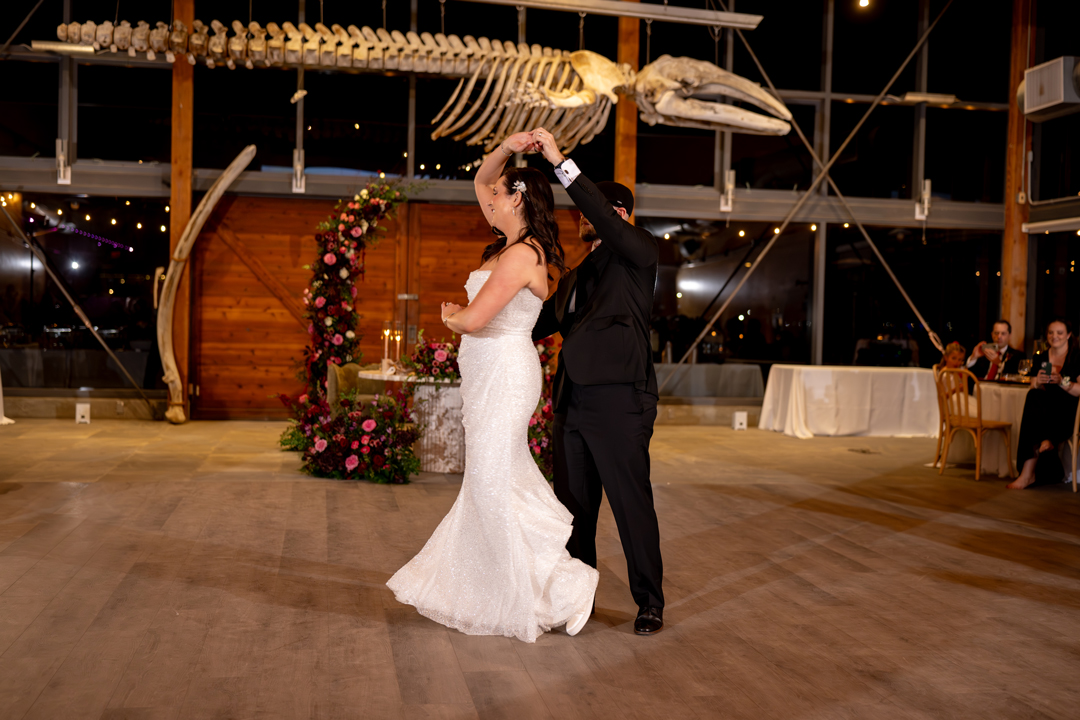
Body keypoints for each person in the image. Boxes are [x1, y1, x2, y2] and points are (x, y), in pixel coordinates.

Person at [386, 131, 598, 643]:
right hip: (486, 375)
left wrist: (451, 316)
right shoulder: (509, 245)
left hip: (504, 372)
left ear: (517, 200)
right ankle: (527, 589)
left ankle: (568, 584)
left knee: (491, 481)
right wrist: (508, 145)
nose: (489, 199)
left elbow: (477, 319)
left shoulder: (522, 255)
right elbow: (483, 179)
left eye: (500, 194)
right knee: (495, 479)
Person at [530, 126, 666, 636]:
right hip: (572, 403)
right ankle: (576, 600)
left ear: (618, 215)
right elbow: (537, 325)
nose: (581, 218)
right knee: (573, 512)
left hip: (620, 401)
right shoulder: (573, 276)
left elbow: (603, 217)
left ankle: (649, 602)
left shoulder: (639, 254)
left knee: (631, 505)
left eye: (590, 212)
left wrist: (559, 163)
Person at [1007, 318, 1080, 490]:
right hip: (1046, 410)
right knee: (1033, 395)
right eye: (1051, 332)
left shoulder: (1077, 356)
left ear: (1068, 335)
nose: (1055, 336)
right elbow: (1032, 385)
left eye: (1059, 333)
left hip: (1068, 411)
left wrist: (1062, 382)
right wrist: (1038, 382)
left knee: (1035, 410)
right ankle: (1044, 442)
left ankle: (1028, 473)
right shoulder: (1040, 357)